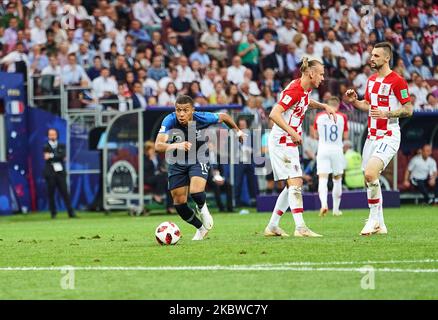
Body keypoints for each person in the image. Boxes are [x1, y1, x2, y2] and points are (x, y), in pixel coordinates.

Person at [263, 56, 337, 238]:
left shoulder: (303, 88)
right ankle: (300, 227)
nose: (322, 78)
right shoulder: (296, 89)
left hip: (288, 140)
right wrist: (293, 132)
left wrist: (323, 106)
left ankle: (272, 226)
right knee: (296, 182)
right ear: (311, 73)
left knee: (291, 186)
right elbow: (274, 113)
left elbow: (305, 102)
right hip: (282, 140)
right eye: (320, 74)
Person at [345, 42, 413, 236]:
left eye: (376, 56)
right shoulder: (371, 80)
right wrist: (354, 102)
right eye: (371, 55)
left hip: (389, 134)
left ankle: (373, 219)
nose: (371, 58)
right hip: (371, 136)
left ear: (386, 58)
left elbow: (409, 109)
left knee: (370, 173)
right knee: (369, 179)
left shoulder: (398, 81)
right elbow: (367, 105)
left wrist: (388, 113)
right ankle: (380, 223)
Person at [154, 95, 244, 240]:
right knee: (179, 202)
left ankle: (203, 209)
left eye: (185, 110)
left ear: (193, 110)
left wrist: (237, 131)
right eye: (178, 110)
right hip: (177, 161)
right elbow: (158, 146)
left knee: (196, 192)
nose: (181, 114)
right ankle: (201, 228)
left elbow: (224, 116)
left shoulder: (201, 117)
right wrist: (176, 145)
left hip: (198, 156)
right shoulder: (169, 120)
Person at [314, 96, 349, 217]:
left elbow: (314, 134)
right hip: (337, 150)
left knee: (322, 179)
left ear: (327, 105)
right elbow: (345, 136)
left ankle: (323, 204)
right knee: (337, 179)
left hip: (323, 149)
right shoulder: (342, 117)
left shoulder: (319, 117)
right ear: (338, 105)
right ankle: (336, 209)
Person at [43, 128, 77, 219]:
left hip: (60, 173)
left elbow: (63, 156)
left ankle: (71, 212)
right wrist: (57, 155)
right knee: (51, 193)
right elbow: (47, 157)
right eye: (50, 134)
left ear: (57, 135)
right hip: (50, 173)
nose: (52, 136)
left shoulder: (62, 145)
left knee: (65, 193)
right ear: (48, 136)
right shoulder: (45, 146)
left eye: (54, 134)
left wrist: (52, 155)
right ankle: (53, 213)